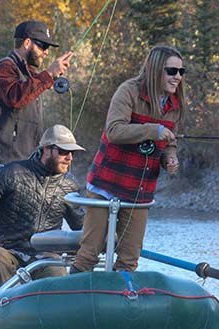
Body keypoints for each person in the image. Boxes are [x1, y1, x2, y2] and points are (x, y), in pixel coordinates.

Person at [0, 20, 74, 280]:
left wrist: (46, 77)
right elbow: (16, 97)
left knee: (18, 226)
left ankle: (20, 282)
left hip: (23, 163)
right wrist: (49, 75)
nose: (46, 52)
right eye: (42, 46)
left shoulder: (31, 76)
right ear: (27, 43)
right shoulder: (3, 68)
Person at [71, 45, 184, 273]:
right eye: (172, 71)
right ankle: (71, 297)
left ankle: (118, 301)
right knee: (88, 255)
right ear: (155, 69)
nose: (178, 78)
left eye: (182, 72)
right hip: (106, 183)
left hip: (140, 191)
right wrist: (153, 129)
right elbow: (114, 131)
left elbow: (169, 142)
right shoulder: (128, 91)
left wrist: (169, 159)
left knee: (129, 260)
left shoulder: (175, 104)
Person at [0, 125, 85, 288]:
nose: (70, 158)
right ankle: (8, 304)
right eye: (64, 152)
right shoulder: (11, 172)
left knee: (57, 272)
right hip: (7, 251)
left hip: (46, 256)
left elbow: (81, 226)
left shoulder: (70, 185)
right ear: (46, 150)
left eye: (73, 153)